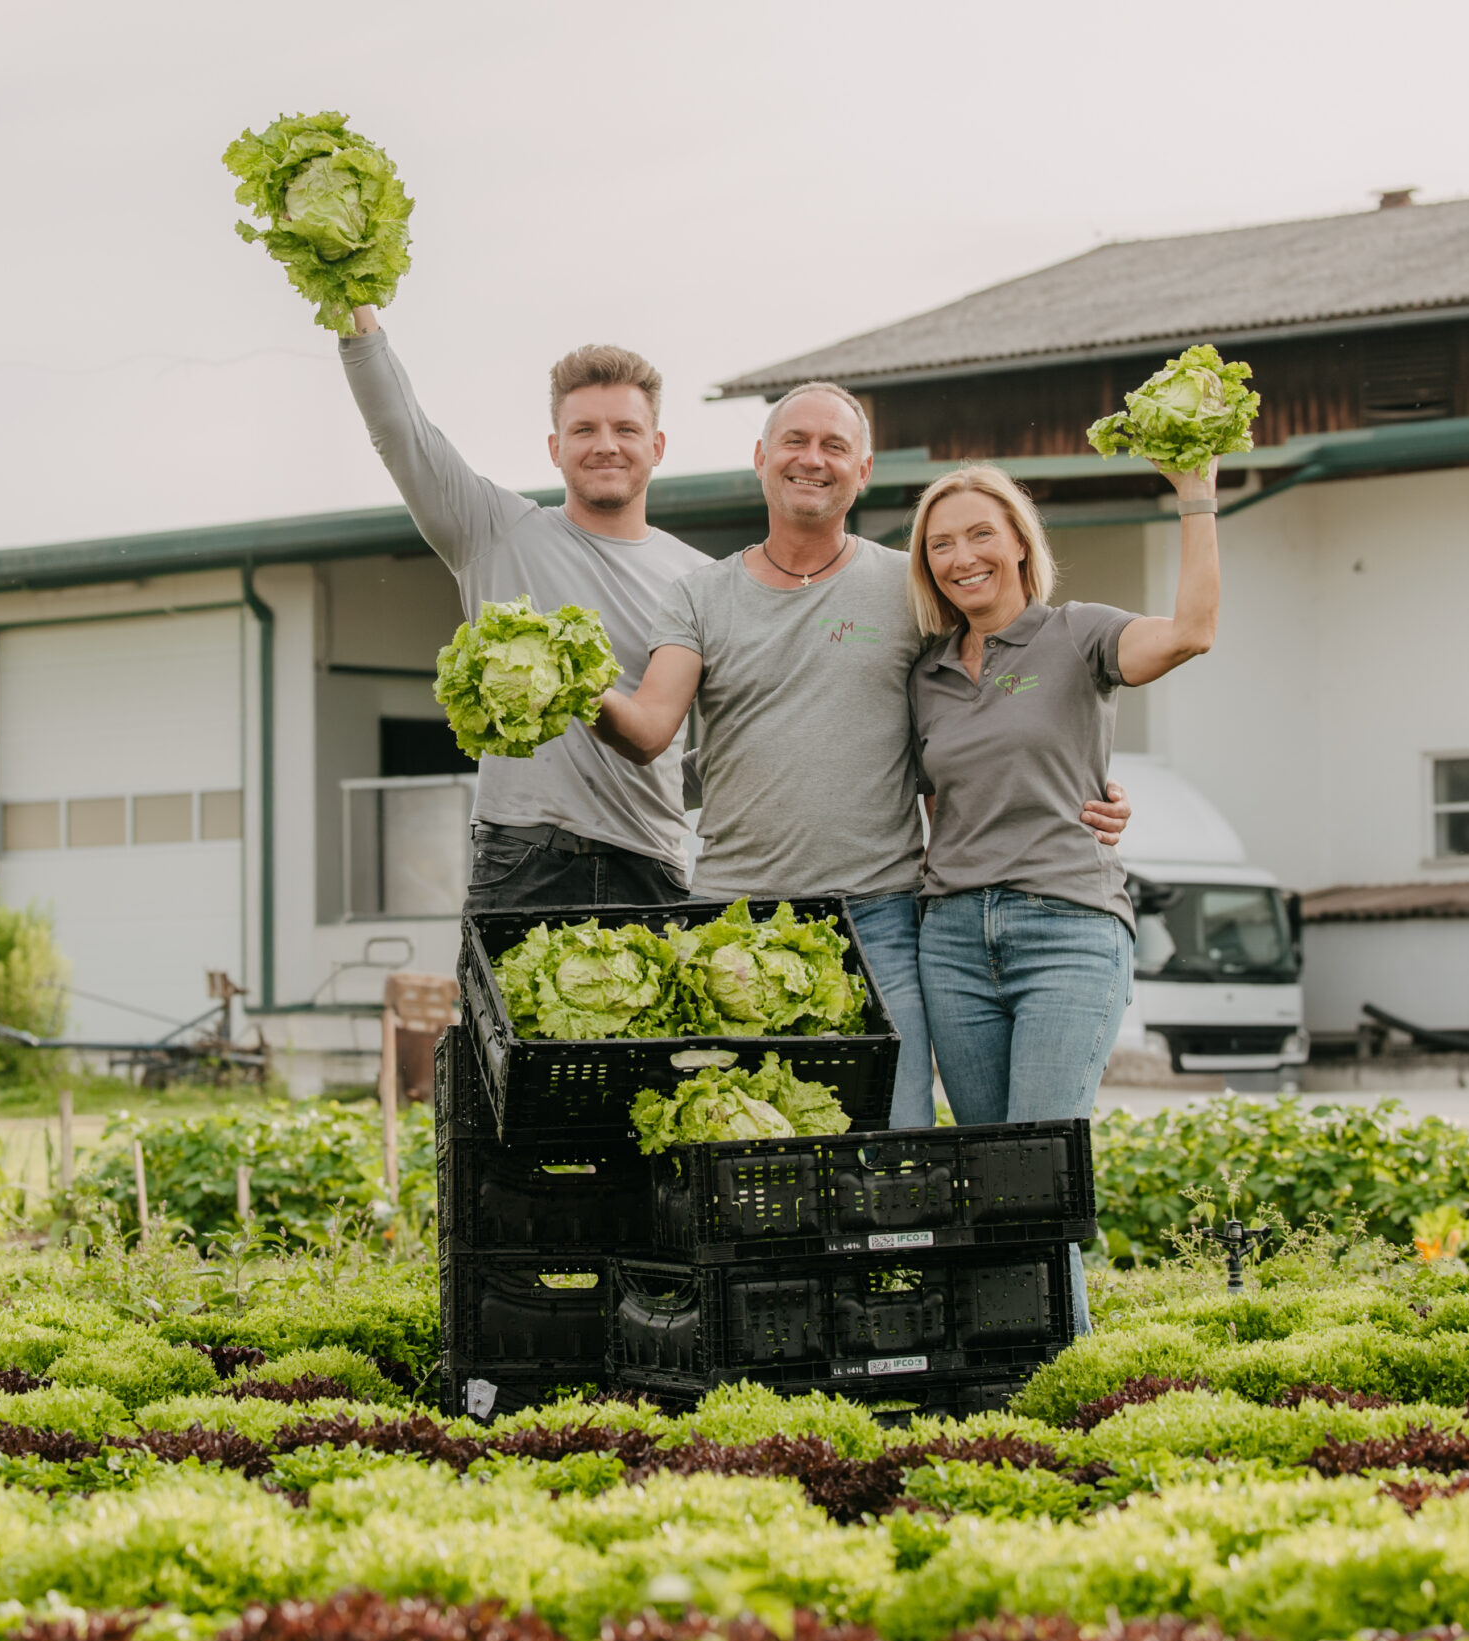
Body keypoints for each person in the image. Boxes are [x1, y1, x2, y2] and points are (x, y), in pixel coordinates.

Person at [591, 381, 1132, 1126]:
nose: (812, 460)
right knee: (744, 1150)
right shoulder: (699, 596)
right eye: (795, 442)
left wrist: (1082, 781)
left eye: (834, 446)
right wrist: (577, 690)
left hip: (882, 921)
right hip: (733, 920)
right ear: (760, 458)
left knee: (896, 1147)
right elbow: (650, 727)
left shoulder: (911, 591)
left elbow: (989, 709)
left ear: (863, 469)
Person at [905, 457, 1221, 1327]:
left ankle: (1065, 1382)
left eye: (979, 534)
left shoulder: (1078, 634)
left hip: (1067, 928)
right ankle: (1009, 1379)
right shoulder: (924, 676)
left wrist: (1195, 491)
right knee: (985, 1175)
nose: (962, 556)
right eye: (940, 545)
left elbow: (1192, 631)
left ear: (1017, 541)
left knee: (1034, 1172)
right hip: (953, 938)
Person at [340, 303, 708, 914]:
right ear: (554, 447)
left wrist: (666, 783)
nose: (606, 446)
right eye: (584, 430)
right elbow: (401, 433)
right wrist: (356, 311)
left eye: (626, 429)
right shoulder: (494, 530)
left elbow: (721, 743)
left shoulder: (701, 579)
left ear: (658, 445)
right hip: (524, 858)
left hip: (655, 867)